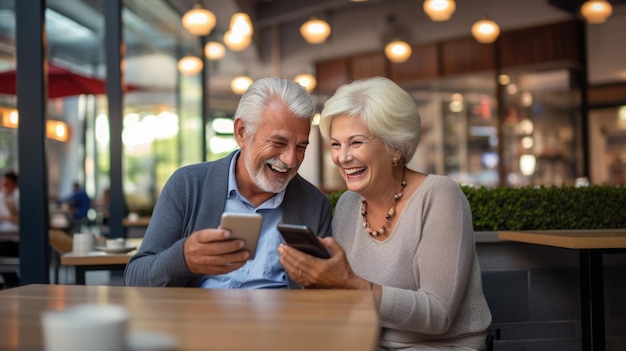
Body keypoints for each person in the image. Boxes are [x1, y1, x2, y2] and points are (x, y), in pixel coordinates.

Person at [277, 77, 492, 350]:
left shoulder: (439, 196)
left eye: (356, 143)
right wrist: (318, 283)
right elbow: (348, 302)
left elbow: (439, 315)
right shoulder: (347, 205)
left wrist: (351, 284)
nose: (342, 157)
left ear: (396, 147)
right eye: (335, 144)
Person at [125, 77, 332, 288]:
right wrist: (183, 259)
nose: (290, 160)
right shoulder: (187, 186)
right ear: (241, 132)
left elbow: (323, 291)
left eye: (301, 147)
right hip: (197, 319)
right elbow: (136, 276)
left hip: (279, 320)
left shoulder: (314, 204)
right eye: (278, 142)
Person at [0, 170, 20, 288]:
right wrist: (9, 218)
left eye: (7, 184)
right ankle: (13, 283)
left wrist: (8, 218)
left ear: (14, 184)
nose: (4, 187)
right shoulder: (1, 197)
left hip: (15, 240)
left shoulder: (18, 197)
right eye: (3, 184)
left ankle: (13, 284)